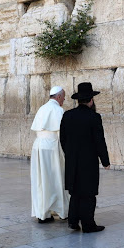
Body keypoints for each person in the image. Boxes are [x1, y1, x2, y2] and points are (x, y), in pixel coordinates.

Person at [60, 82, 110, 233]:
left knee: (75, 192)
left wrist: (69, 153)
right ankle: (88, 225)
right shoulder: (94, 117)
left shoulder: (67, 115)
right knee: (88, 194)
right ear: (91, 100)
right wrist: (105, 161)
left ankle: (73, 222)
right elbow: (99, 141)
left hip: (72, 161)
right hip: (88, 162)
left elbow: (63, 139)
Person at [30, 86, 70, 223]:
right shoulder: (58, 110)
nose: (64, 100)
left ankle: (43, 213)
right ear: (58, 97)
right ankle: (61, 210)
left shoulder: (42, 108)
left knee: (41, 180)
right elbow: (63, 134)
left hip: (38, 146)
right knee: (56, 178)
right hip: (52, 147)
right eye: (63, 97)